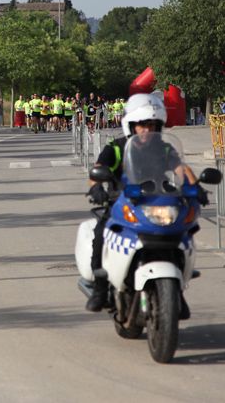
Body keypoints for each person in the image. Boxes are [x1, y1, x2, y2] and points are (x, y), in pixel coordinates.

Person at [84, 92, 203, 312]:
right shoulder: (116, 147)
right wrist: (96, 187)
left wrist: (195, 188)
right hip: (122, 202)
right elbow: (97, 170)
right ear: (131, 125)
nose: (146, 130)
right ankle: (100, 288)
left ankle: (177, 289)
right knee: (100, 233)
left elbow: (181, 168)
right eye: (141, 125)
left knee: (184, 232)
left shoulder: (164, 148)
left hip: (158, 202)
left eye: (151, 125)